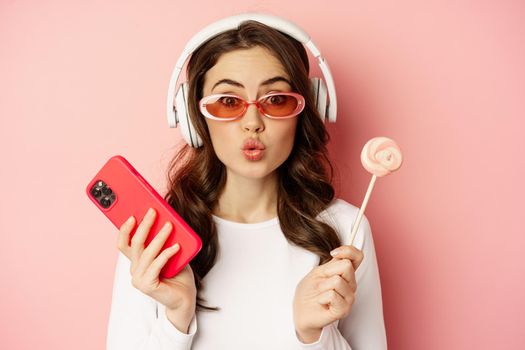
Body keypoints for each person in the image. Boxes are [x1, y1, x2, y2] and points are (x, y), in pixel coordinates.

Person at [106, 14, 387, 350]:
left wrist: (313, 336)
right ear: (193, 116)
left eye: (276, 100)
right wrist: (176, 320)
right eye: (228, 102)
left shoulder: (346, 230)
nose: (253, 122)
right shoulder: (154, 236)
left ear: (307, 108)